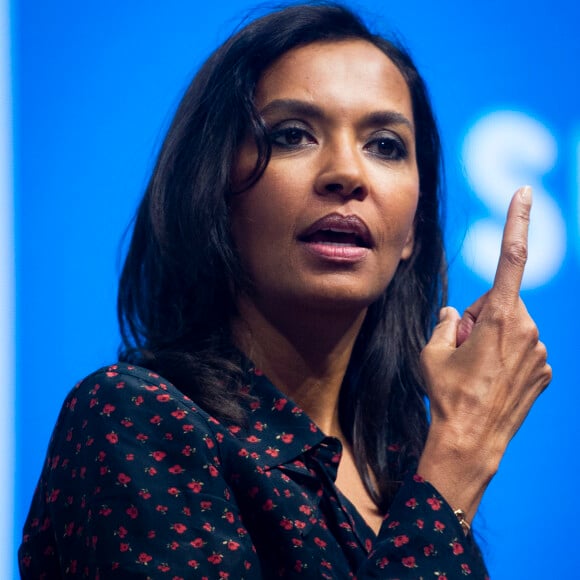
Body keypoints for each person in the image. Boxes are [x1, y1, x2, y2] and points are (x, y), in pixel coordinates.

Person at [18, 3, 551, 578]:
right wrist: (460, 458)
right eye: (294, 135)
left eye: (385, 145)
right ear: (214, 191)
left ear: (412, 232)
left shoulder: (400, 477)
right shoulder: (133, 417)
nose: (348, 173)